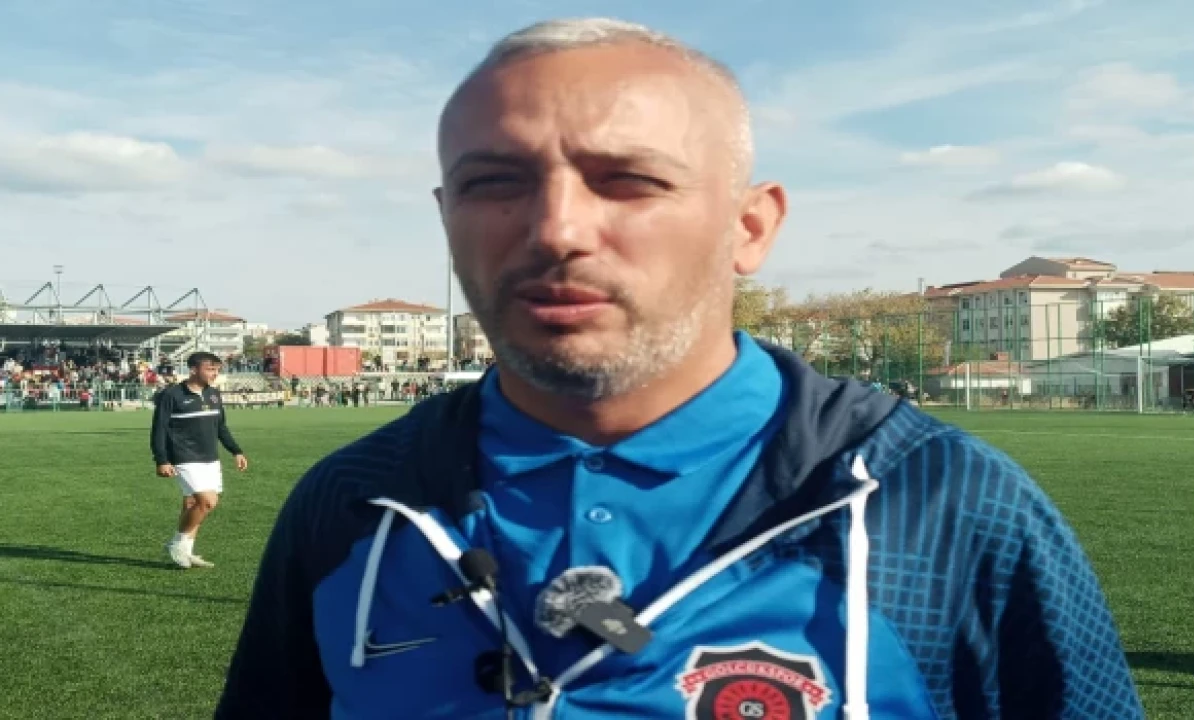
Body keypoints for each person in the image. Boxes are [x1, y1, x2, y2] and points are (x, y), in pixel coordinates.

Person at [217, 18, 1142, 719]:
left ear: (750, 226)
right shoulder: (355, 504)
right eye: (494, 182)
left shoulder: (943, 503)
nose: (557, 230)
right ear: (446, 215)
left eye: (628, 180)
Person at [150, 352, 248, 569]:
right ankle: (177, 543)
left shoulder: (213, 394)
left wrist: (236, 451)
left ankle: (186, 551)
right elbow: (159, 430)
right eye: (210, 369)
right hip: (184, 457)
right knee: (208, 502)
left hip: (210, 458)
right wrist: (161, 460)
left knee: (193, 504)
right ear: (194, 370)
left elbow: (221, 427)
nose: (215, 374)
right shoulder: (172, 395)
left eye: (217, 369)